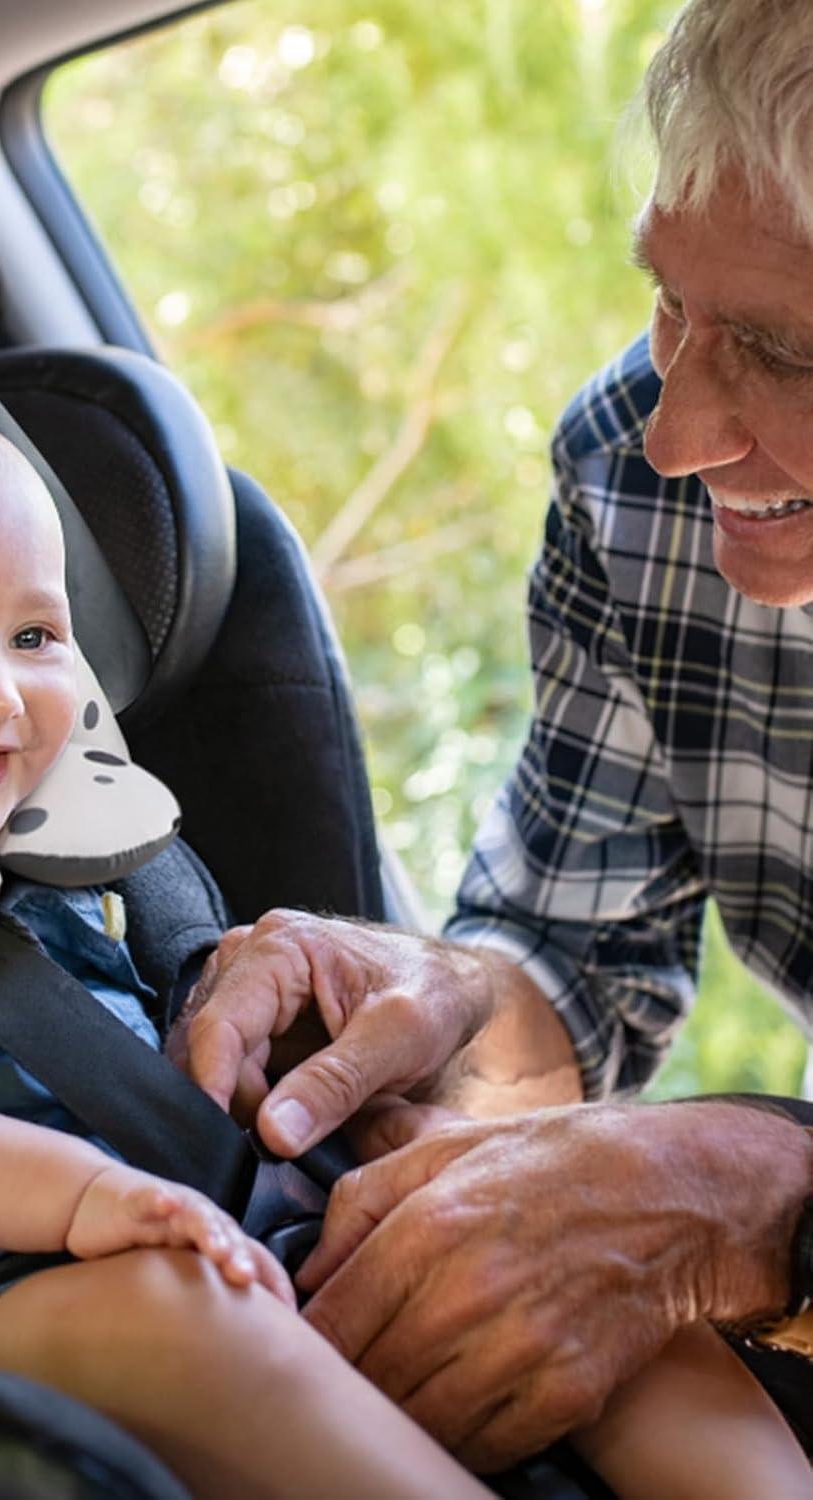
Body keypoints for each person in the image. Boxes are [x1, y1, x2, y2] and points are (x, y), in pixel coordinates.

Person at [0, 378, 803, 1495]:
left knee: (567, 1252)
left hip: (193, 1213)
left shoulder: (74, 869)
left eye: (34, 634)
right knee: (195, 1323)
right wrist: (78, 1197)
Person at [178, 0, 813, 1476]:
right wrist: (443, 1000)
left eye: (783, 349)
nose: (677, 434)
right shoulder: (631, 482)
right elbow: (576, 962)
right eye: (670, 301)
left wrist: (755, 1187)